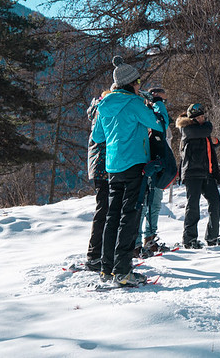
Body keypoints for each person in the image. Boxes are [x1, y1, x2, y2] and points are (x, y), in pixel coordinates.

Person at [91, 56, 163, 286]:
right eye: (139, 80)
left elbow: (98, 137)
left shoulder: (105, 105)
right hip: (134, 164)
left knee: (112, 217)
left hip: (112, 166)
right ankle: (123, 271)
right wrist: (156, 103)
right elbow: (159, 124)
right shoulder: (133, 103)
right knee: (129, 217)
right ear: (131, 83)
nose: (140, 84)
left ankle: (107, 268)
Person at [176, 103, 220, 249]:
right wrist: (208, 132)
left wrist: (213, 142)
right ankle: (189, 239)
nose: (203, 119)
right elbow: (206, 130)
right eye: (199, 117)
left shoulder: (200, 131)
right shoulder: (187, 129)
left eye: (203, 116)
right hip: (192, 173)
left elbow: (207, 143)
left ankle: (212, 237)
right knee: (193, 206)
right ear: (192, 119)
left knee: (215, 203)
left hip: (207, 173)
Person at [134, 87, 171, 257]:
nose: (163, 103)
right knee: (142, 204)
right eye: (160, 100)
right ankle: (135, 243)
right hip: (146, 164)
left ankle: (150, 238)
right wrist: (157, 104)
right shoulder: (146, 114)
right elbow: (162, 123)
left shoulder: (153, 114)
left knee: (155, 204)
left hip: (157, 164)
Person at [84, 91, 110, 272]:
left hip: (98, 167)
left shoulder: (97, 111)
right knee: (104, 211)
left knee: (104, 210)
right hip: (104, 166)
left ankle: (97, 254)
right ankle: (94, 256)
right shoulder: (103, 113)